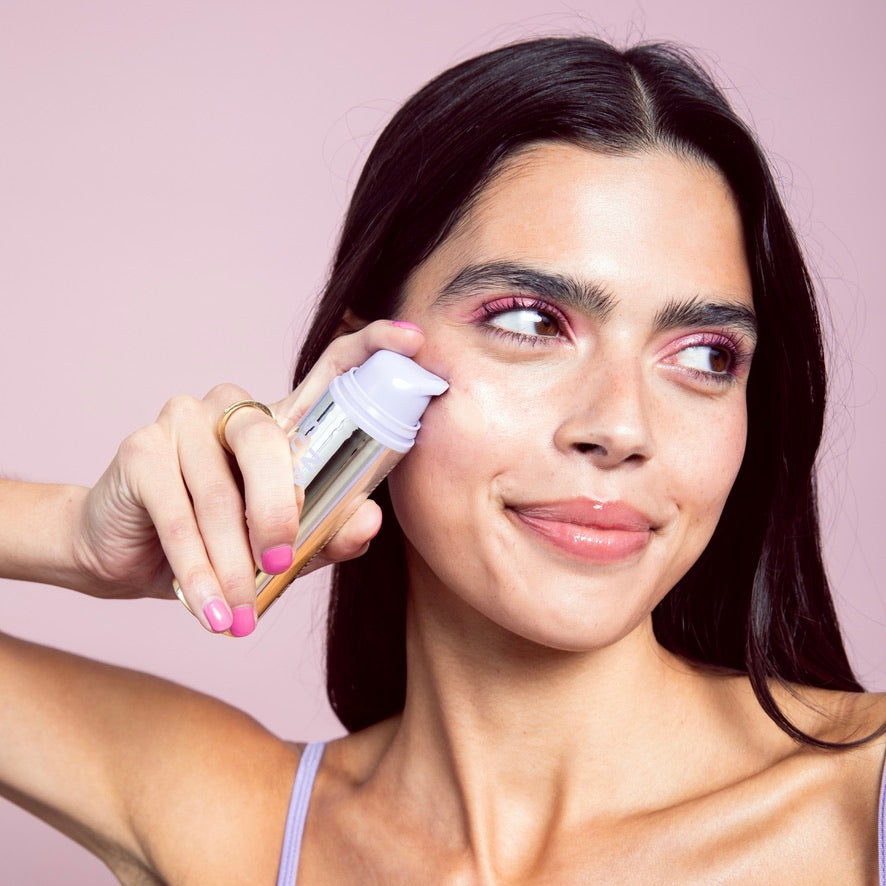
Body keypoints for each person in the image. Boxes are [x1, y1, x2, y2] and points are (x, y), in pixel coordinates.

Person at [2, 35, 885, 883]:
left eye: (704, 356)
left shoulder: (862, 802)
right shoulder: (234, 822)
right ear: (361, 367)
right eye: (532, 322)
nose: (621, 428)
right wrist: (73, 537)